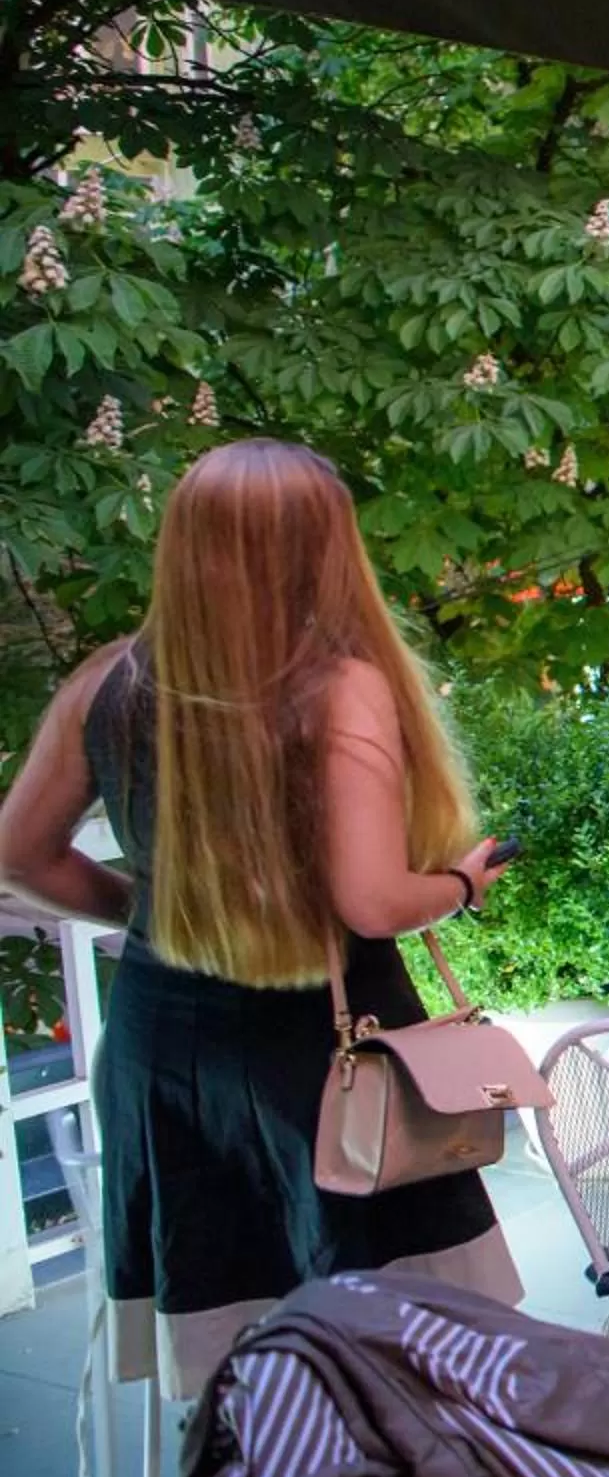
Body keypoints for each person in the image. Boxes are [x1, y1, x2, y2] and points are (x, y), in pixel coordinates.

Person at [0, 439, 523, 1397]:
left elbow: (19, 853)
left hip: (165, 1055)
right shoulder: (339, 687)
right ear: (322, 547)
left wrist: (156, 914)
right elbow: (368, 900)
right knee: (390, 1357)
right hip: (329, 1062)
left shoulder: (107, 684)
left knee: (235, 1342)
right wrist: (458, 885)